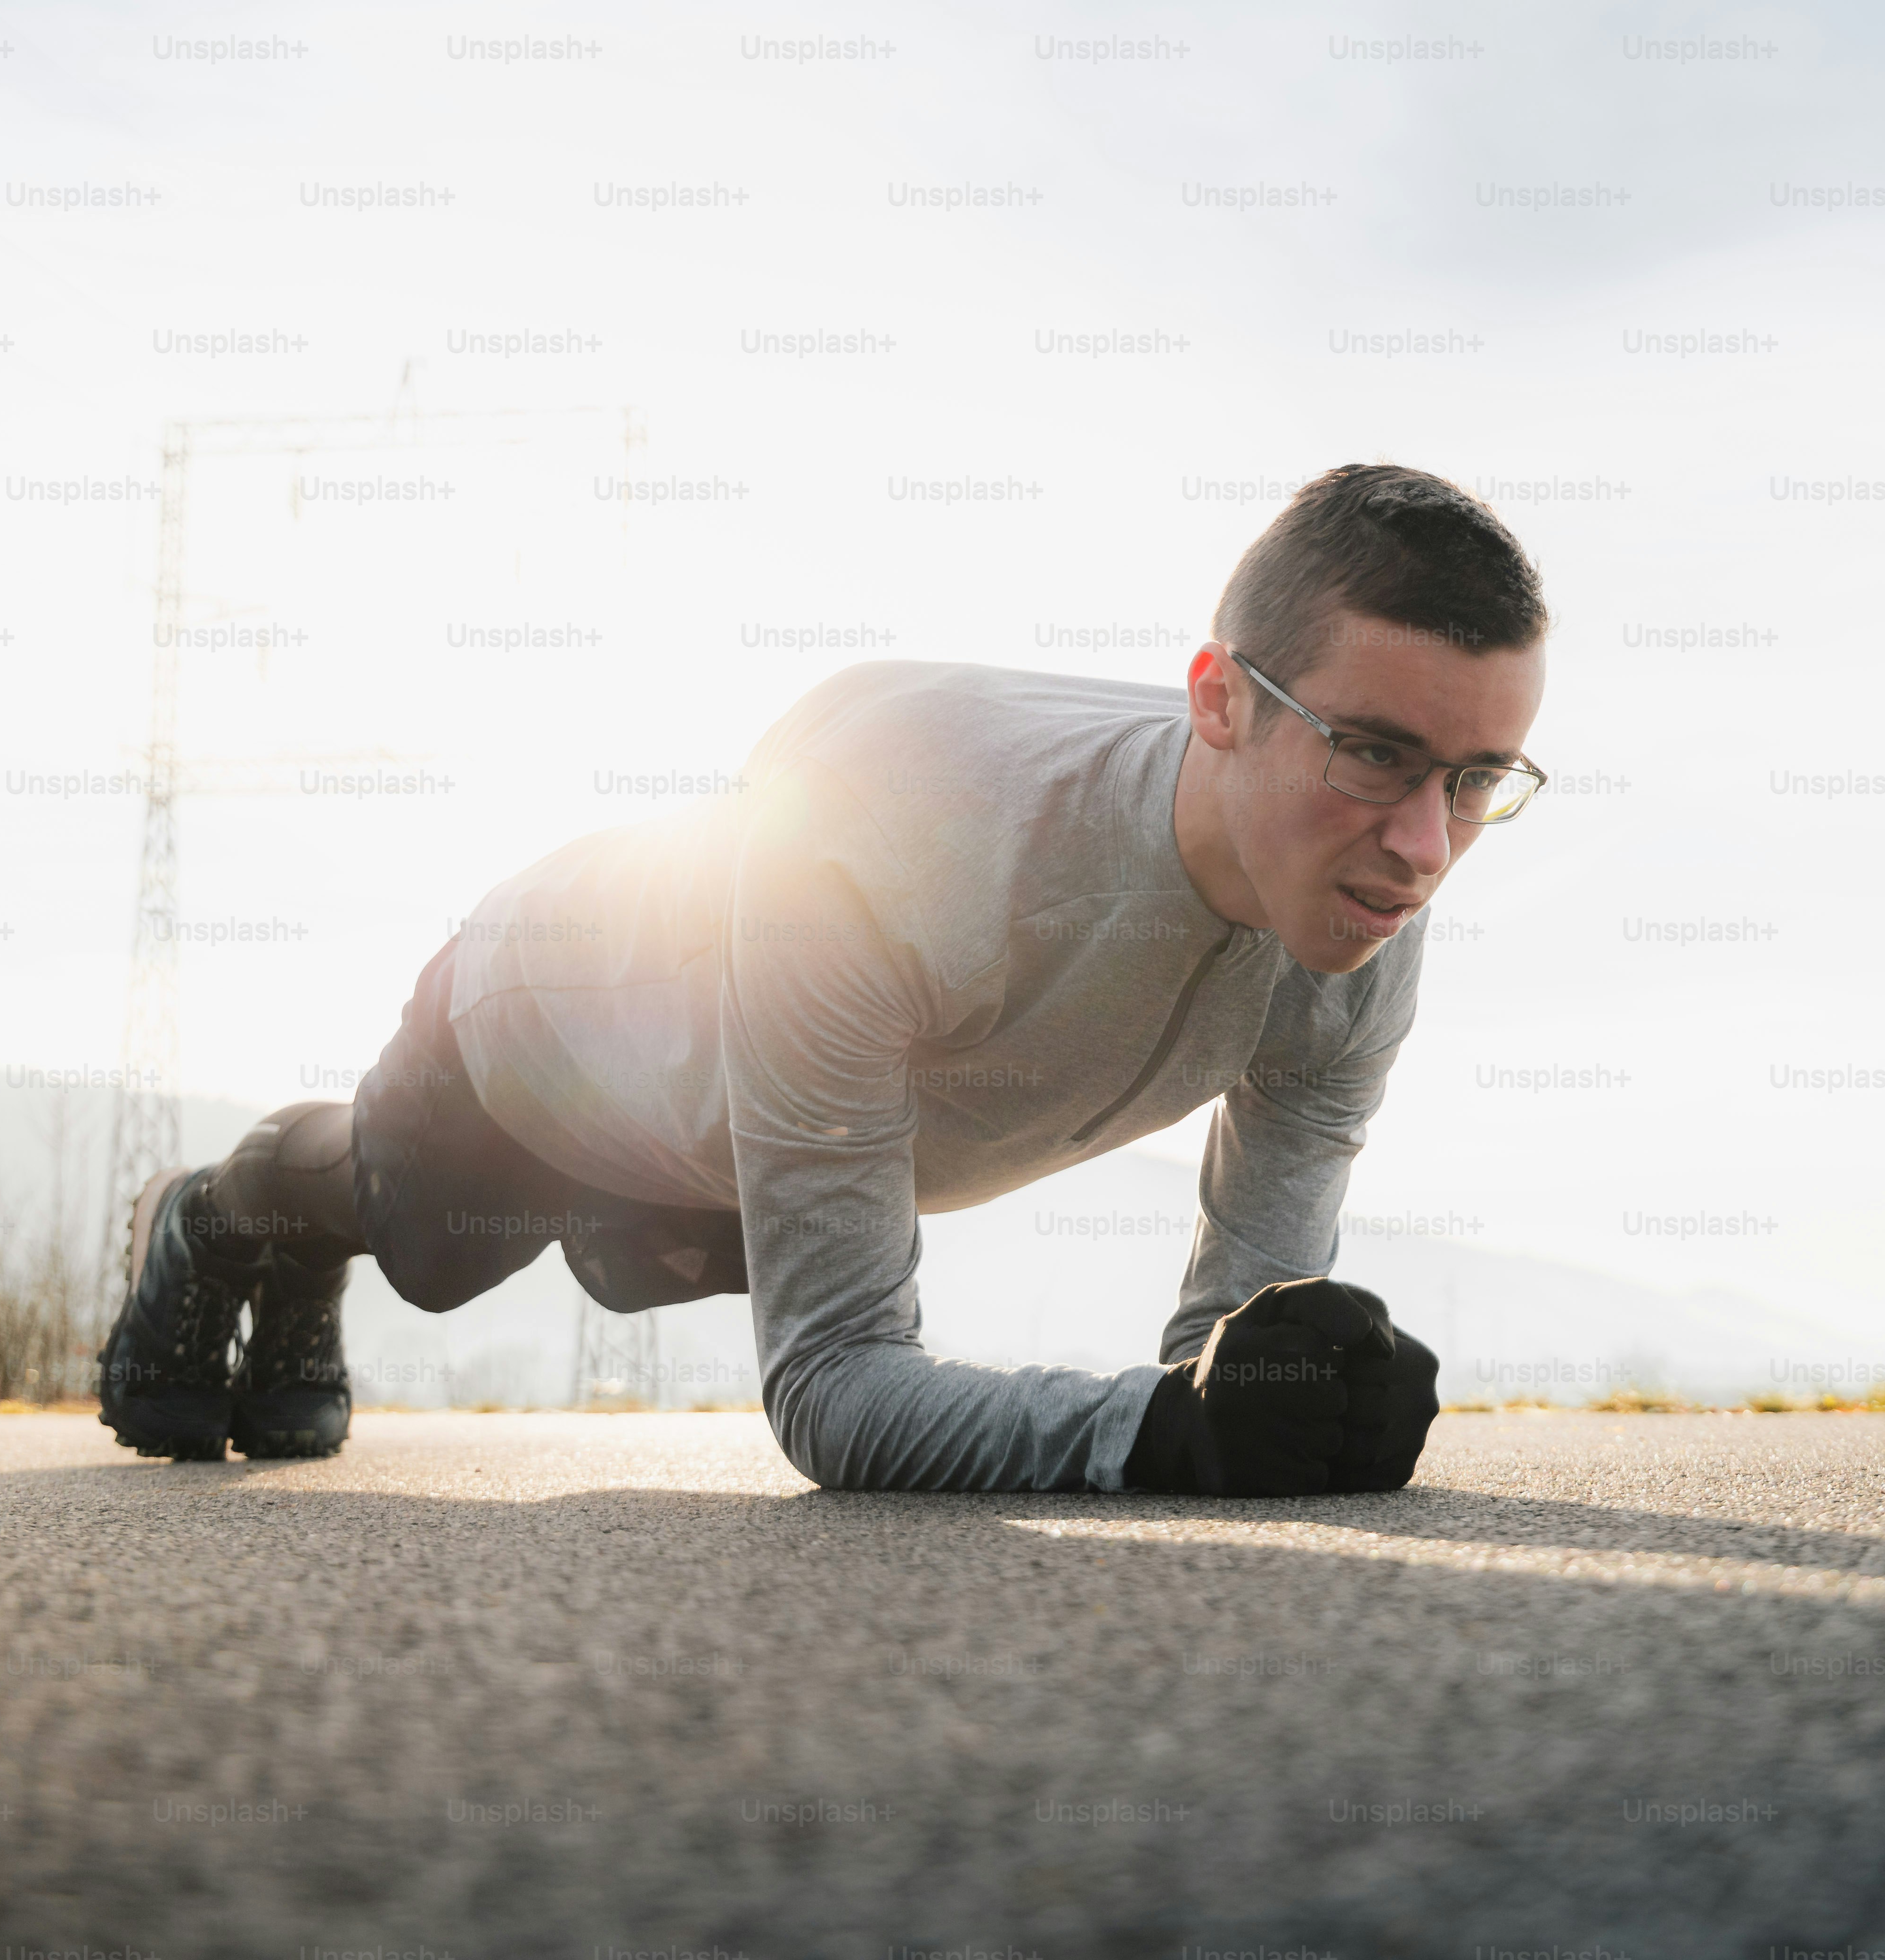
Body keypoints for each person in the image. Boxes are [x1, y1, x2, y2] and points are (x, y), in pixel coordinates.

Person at [97, 463, 1550, 1494]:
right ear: (1220, 700)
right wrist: (1153, 1441)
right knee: (423, 1233)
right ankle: (228, 1218)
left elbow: (1224, 1362)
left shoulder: (1363, 918)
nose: (1425, 849)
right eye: (1373, 753)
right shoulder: (901, 823)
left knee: (610, 1240)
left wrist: (1277, 1403)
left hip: (768, 1128)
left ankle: (295, 1257)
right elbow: (835, 1388)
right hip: (556, 1023)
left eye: (1478, 779)